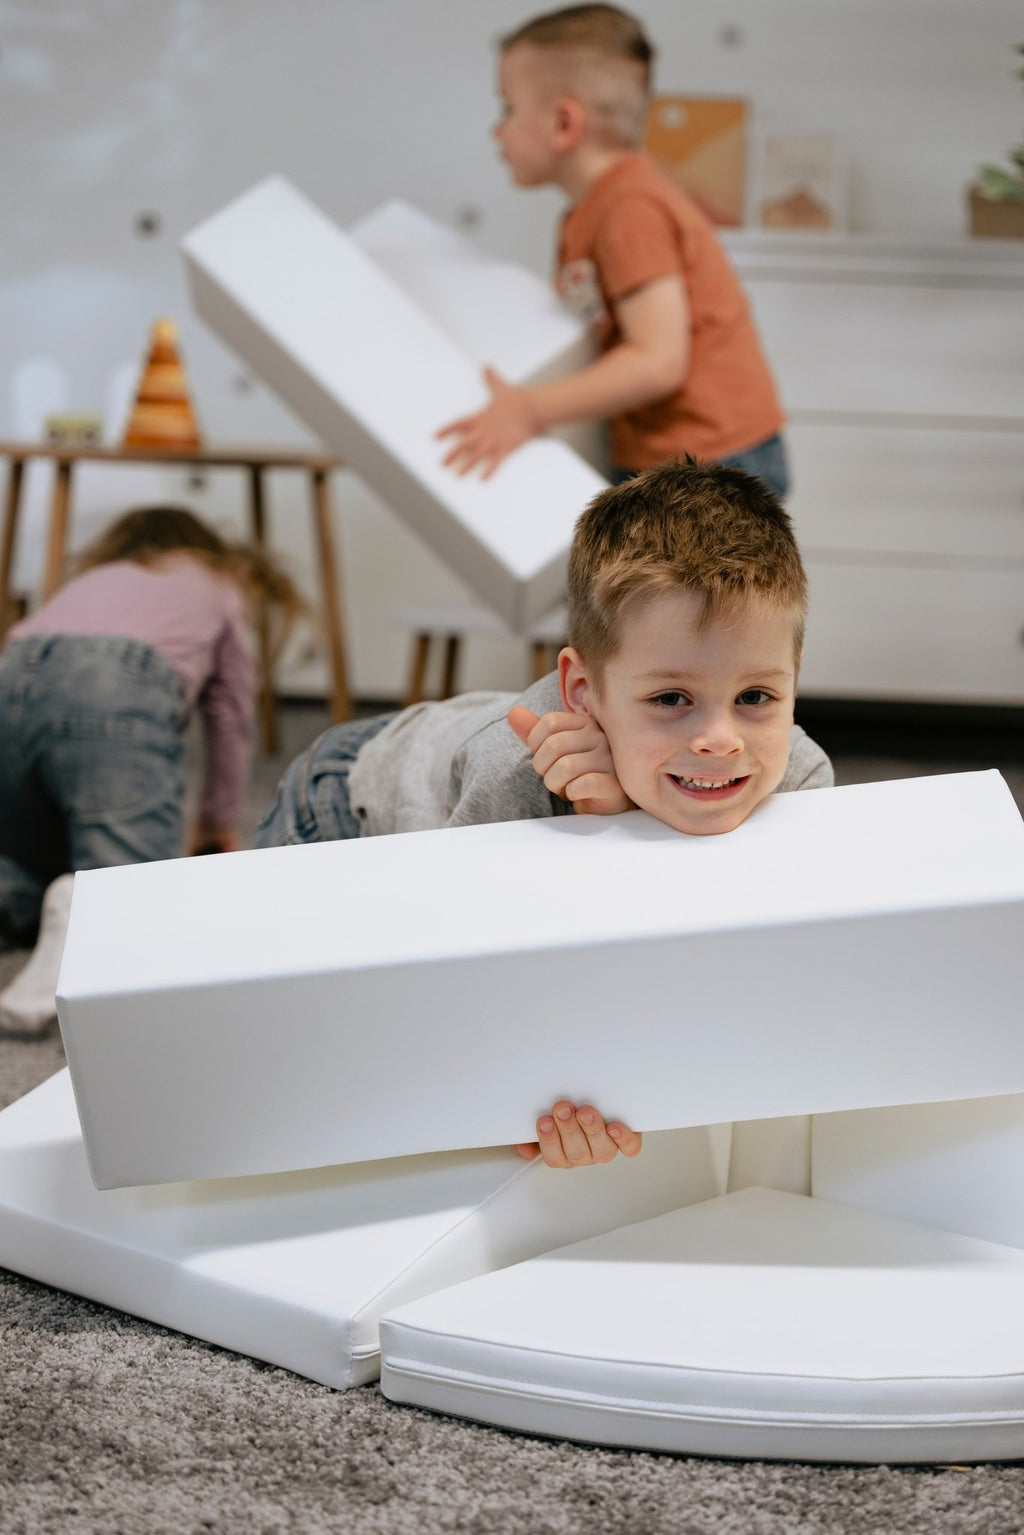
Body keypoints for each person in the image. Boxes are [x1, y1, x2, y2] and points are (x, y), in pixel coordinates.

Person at [255, 459, 832, 1167]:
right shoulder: (514, 773)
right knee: (297, 1037)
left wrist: (620, 819)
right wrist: (508, 1095)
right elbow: (453, 967)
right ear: (583, 690)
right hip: (348, 797)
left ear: (794, 677)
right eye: (672, 699)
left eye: (756, 697)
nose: (722, 738)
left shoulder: (799, 773)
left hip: (465, 743)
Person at [438, 4, 787, 497]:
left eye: (506, 108)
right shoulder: (590, 211)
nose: (497, 130)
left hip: (711, 460)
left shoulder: (630, 208)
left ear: (564, 123)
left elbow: (658, 361)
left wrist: (531, 409)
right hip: (670, 454)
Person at [0, 505, 301, 1033]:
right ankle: (84, 915)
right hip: (114, 683)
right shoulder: (218, 582)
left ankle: (30, 894)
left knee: (23, 856)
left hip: (11, 674)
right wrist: (215, 819)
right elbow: (229, 715)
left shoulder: (96, 578)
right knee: (135, 895)